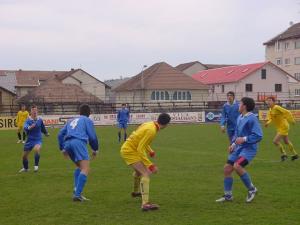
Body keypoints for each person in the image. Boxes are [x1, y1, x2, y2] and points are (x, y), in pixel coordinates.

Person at [120, 113, 171, 211]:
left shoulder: (149, 124)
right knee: (146, 173)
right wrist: (150, 165)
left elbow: (141, 140)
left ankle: (135, 193)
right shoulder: (152, 131)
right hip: (130, 151)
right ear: (166, 124)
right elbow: (140, 148)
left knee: (139, 172)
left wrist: (150, 151)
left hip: (128, 148)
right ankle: (145, 204)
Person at [216, 97, 263, 203]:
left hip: (249, 149)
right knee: (227, 169)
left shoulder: (252, 118)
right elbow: (237, 134)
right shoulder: (240, 117)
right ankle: (228, 196)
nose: (238, 105)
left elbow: (259, 136)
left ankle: (252, 189)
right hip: (239, 148)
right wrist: (233, 144)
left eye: (240, 103)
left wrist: (244, 139)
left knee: (237, 166)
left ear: (244, 106)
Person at [58, 104, 99, 202]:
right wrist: (95, 149)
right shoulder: (87, 120)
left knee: (79, 167)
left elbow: (60, 134)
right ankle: (77, 195)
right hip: (78, 142)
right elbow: (92, 137)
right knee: (85, 168)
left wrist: (62, 148)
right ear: (89, 113)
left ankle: (76, 190)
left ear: (79, 112)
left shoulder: (70, 120)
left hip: (68, 143)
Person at [265, 97, 298, 161]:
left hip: (284, 126)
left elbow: (287, 112)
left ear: (274, 102)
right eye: (267, 101)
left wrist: (292, 120)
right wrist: (267, 123)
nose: (268, 102)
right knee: (286, 141)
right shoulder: (270, 110)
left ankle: (284, 154)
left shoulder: (277, 107)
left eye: (270, 100)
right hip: (280, 127)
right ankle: (295, 155)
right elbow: (270, 118)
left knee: (275, 141)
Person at [19, 105, 49, 173]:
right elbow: (25, 127)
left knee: (36, 149)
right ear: (31, 112)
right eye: (33, 110)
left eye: (36, 110)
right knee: (24, 157)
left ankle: (36, 167)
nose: (35, 111)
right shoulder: (28, 120)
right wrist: (30, 127)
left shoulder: (40, 120)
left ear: (37, 111)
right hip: (29, 140)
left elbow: (42, 128)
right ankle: (26, 168)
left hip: (38, 139)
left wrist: (46, 133)